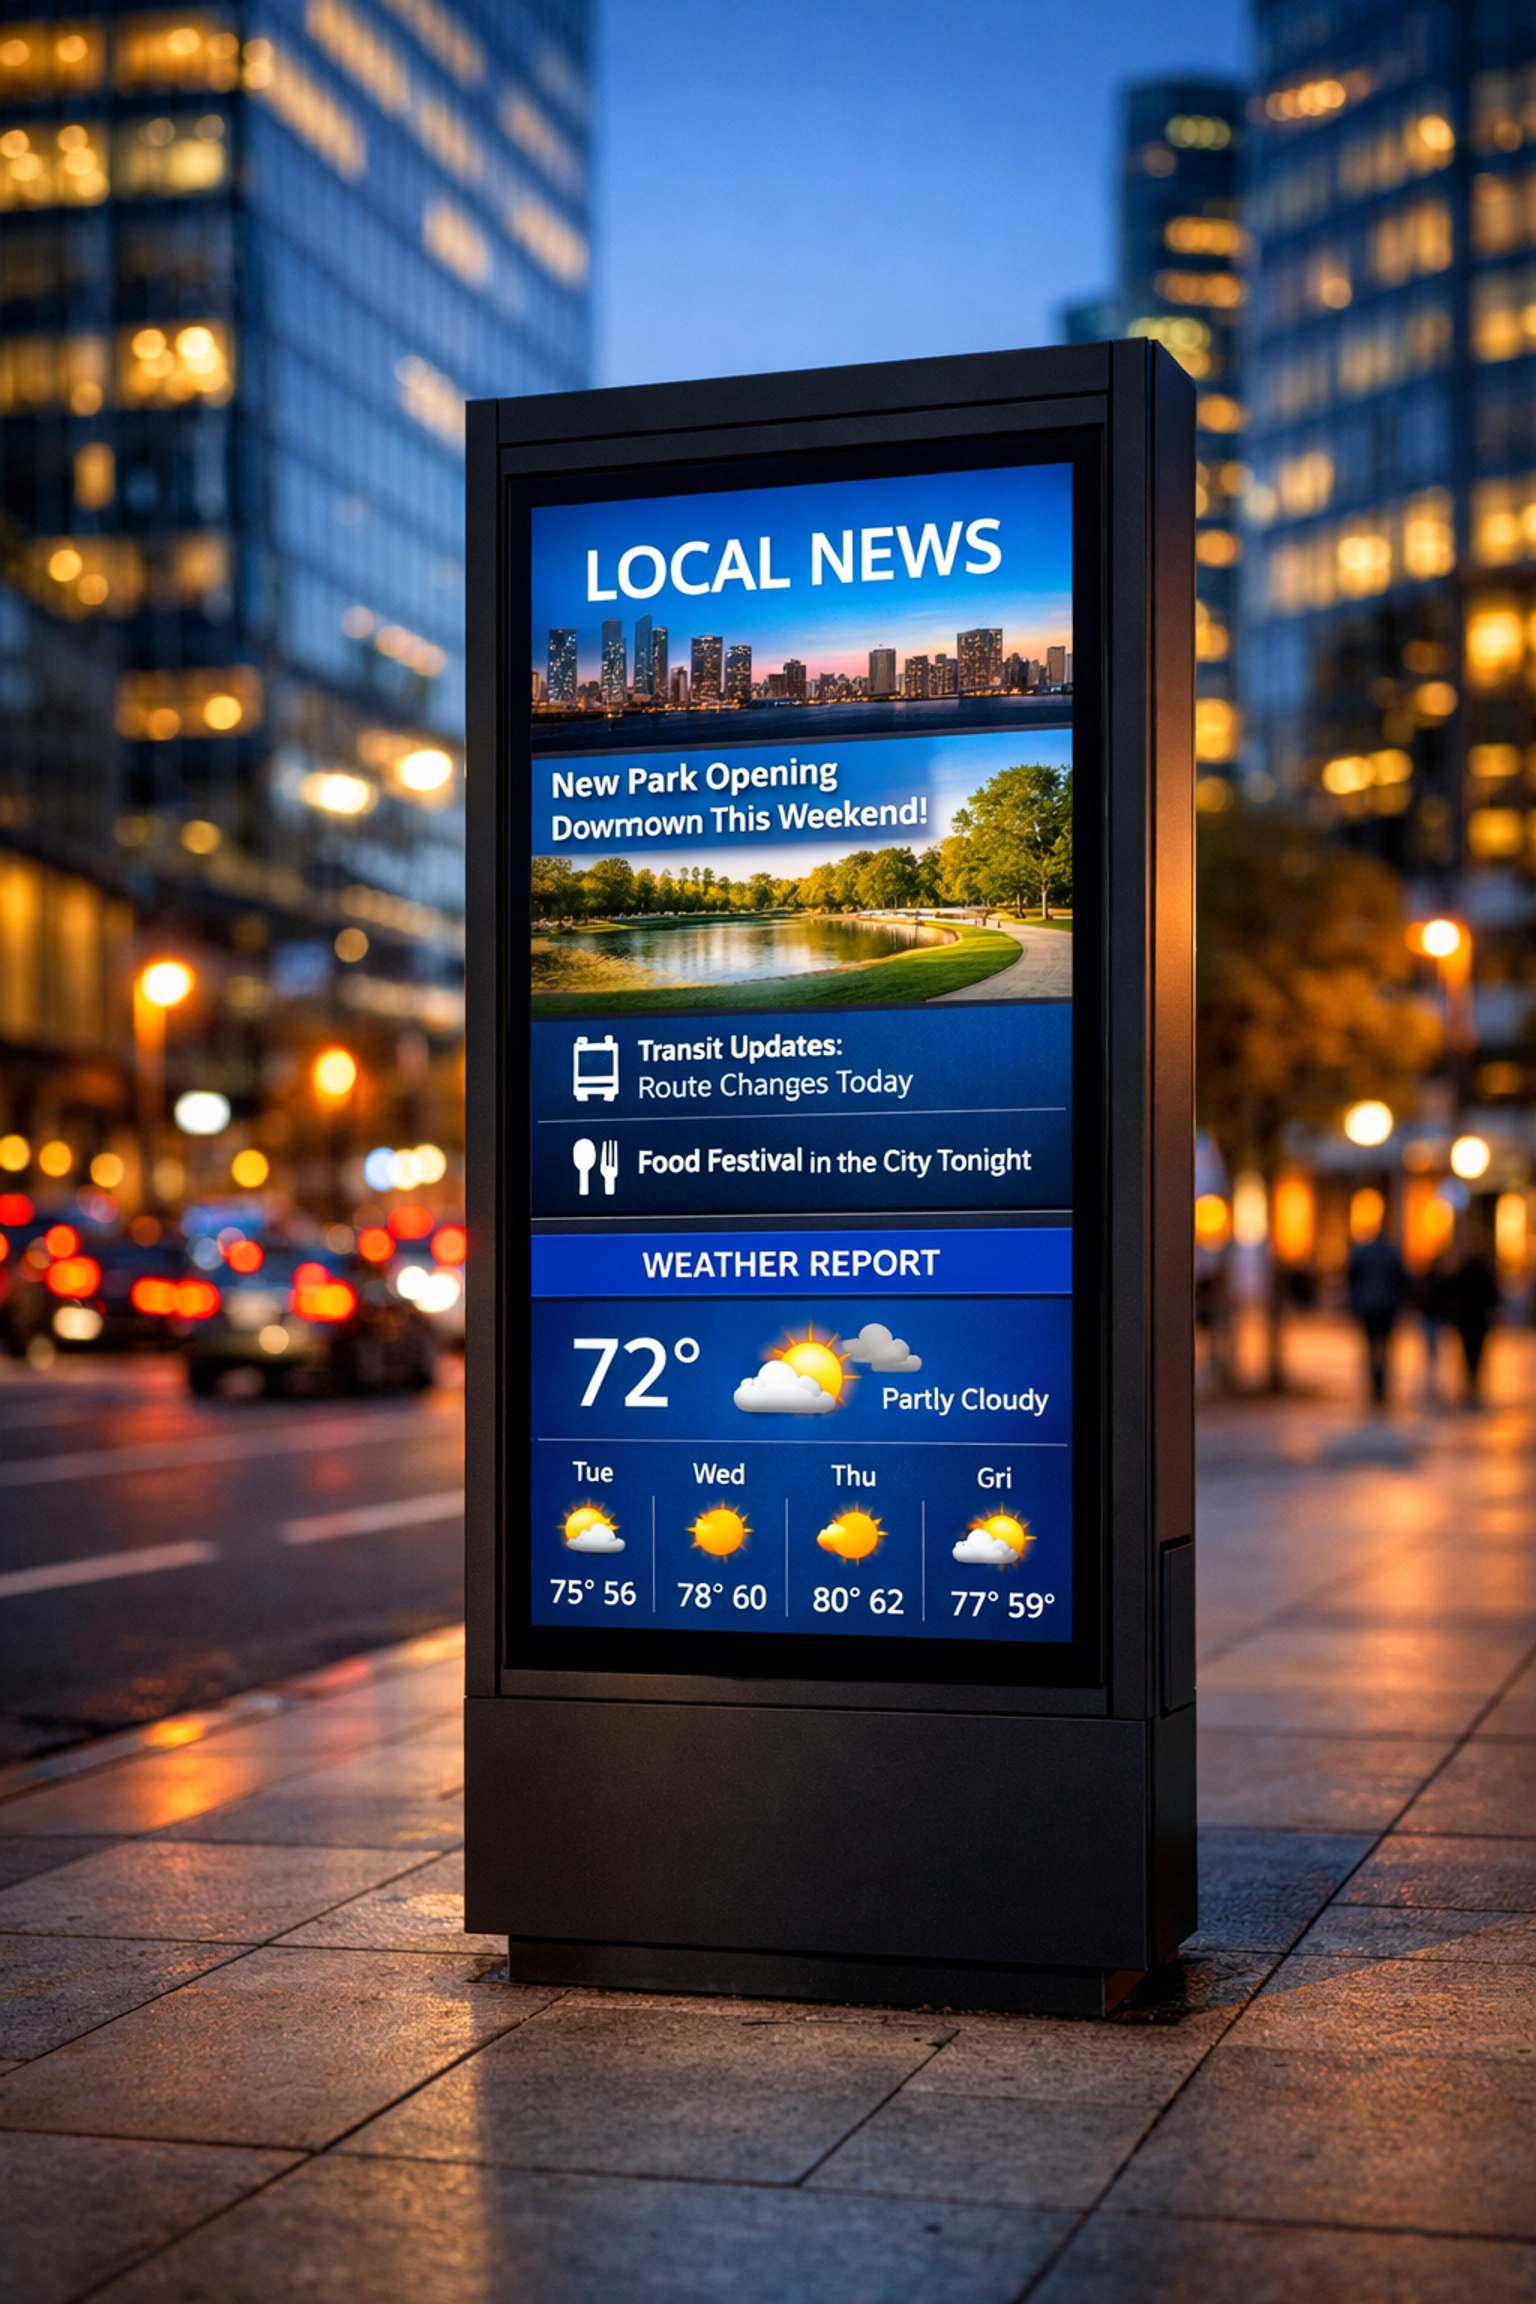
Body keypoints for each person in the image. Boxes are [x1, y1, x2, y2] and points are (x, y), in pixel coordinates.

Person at [1347, 1225, 1408, 1407]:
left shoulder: (1362, 1252)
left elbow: (1352, 1279)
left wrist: (1355, 1302)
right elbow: (1402, 1280)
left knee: (1370, 1346)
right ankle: (1382, 1385)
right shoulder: (1392, 1253)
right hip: (1388, 1307)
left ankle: (1374, 1384)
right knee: (1386, 1347)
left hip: (1368, 1307)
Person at [1445, 1242, 1501, 1408]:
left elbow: (1451, 1291)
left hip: (1467, 1319)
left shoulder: (1464, 1271)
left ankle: (1470, 1385)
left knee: (1467, 1353)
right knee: (1477, 1353)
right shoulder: (1484, 1273)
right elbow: (1494, 1296)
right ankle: (1474, 1385)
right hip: (1479, 1320)